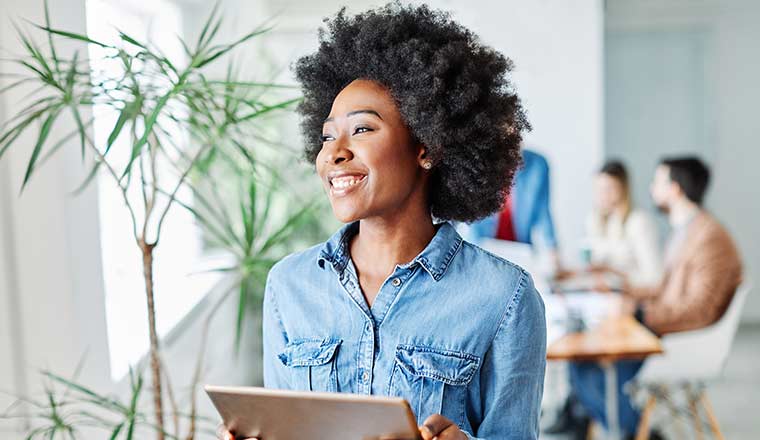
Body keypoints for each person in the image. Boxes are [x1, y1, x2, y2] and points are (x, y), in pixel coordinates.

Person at [220, 4, 546, 440]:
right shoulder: (289, 286)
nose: (334, 153)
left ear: (426, 147)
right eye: (326, 135)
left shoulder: (505, 297)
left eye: (362, 130)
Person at [567, 156, 742, 439]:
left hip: (684, 341)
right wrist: (625, 294)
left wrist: (639, 311)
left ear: (675, 189)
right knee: (582, 361)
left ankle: (636, 432)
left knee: (589, 365)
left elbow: (699, 309)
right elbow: (664, 287)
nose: (651, 189)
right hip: (668, 329)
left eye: (657, 182)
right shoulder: (687, 230)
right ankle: (636, 431)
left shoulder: (707, 237)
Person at [463, 149, 562, 271]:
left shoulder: (537, 165)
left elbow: (543, 213)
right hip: (483, 250)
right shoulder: (476, 164)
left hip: (521, 254)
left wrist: (552, 250)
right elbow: (471, 219)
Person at [586, 160, 661, 289]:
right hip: (604, 295)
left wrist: (615, 274)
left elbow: (654, 278)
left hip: (632, 298)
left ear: (623, 188)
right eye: (598, 189)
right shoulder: (596, 220)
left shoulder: (639, 222)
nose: (602, 196)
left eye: (608, 189)